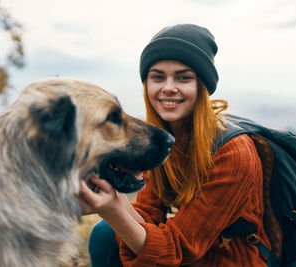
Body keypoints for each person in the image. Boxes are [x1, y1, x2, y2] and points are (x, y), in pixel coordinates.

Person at [78, 24, 270, 266]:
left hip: (228, 260)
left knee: (113, 226)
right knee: (105, 234)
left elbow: (178, 250)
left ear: (202, 86)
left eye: (183, 77)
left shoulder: (234, 152)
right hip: (187, 254)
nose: (168, 87)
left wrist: (113, 209)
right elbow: (148, 218)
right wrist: (113, 193)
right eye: (158, 77)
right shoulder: (164, 138)